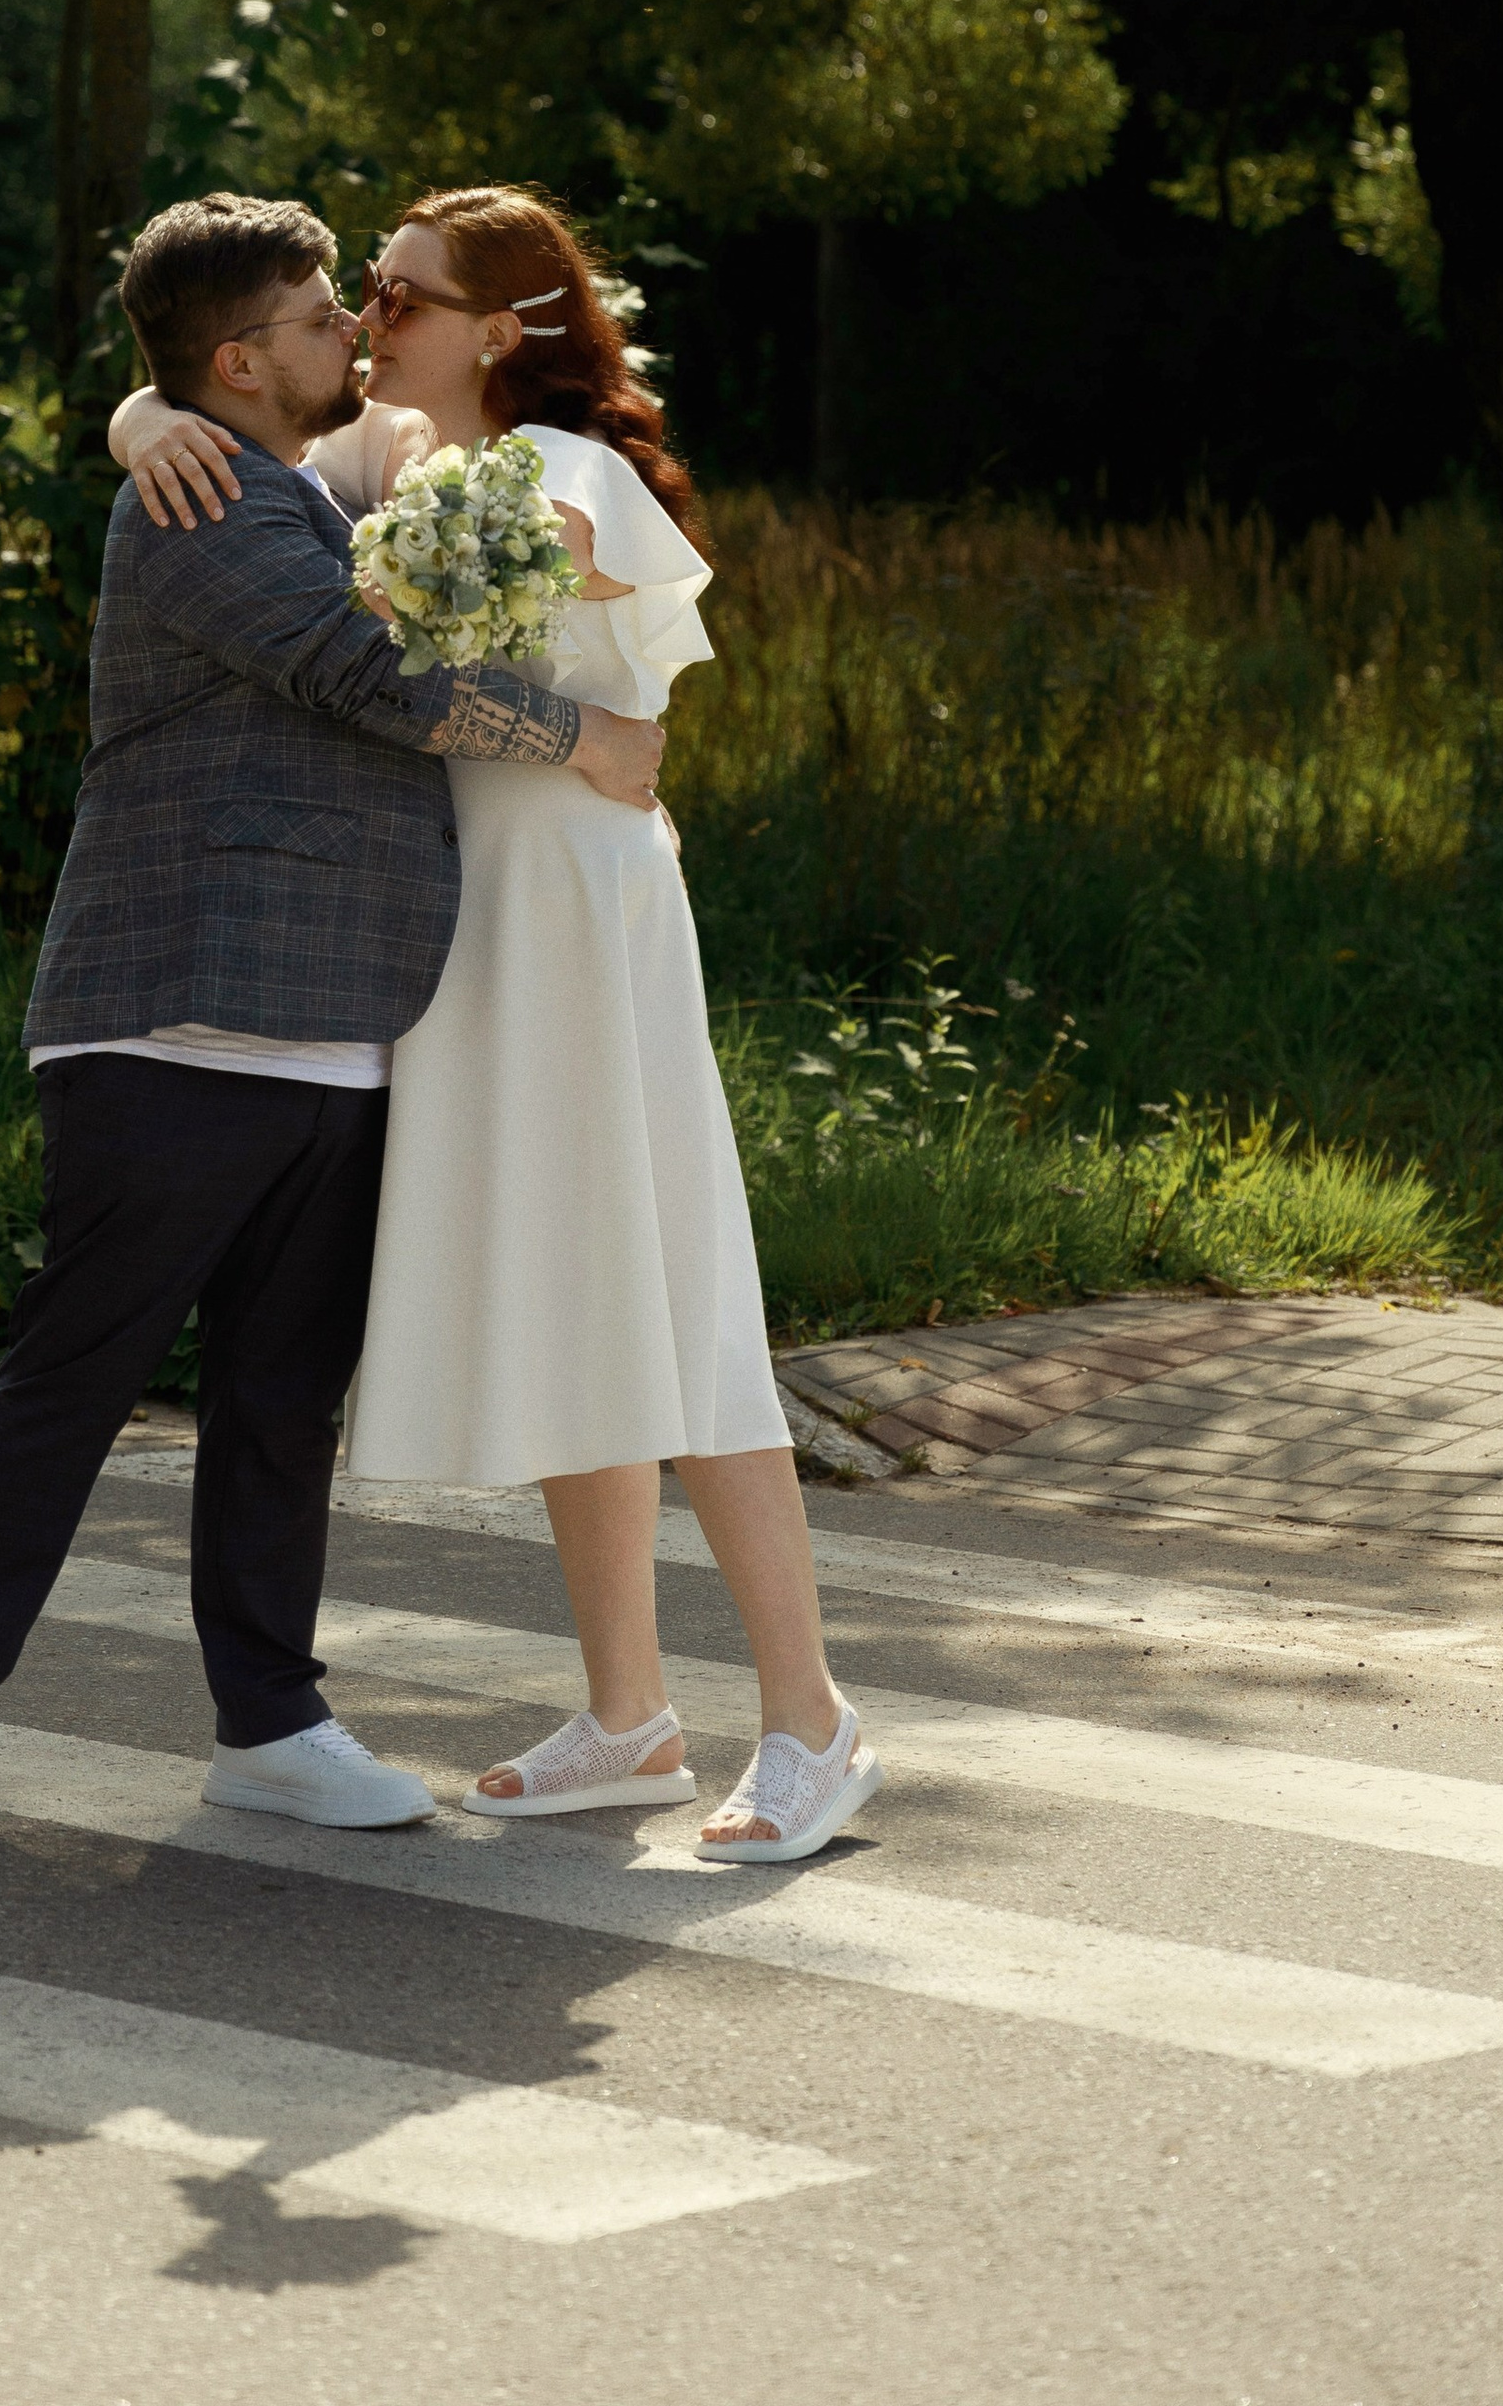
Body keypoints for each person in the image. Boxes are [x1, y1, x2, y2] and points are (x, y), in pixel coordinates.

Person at [0, 190, 667, 1835]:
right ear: (238, 359)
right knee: (71, 1380)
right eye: (314, 320)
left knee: (282, 1399)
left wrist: (136, 401)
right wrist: (581, 733)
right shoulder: (205, 498)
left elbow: (395, 469)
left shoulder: (283, 461)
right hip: (176, 1018)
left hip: (348, 1027)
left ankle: (270, 1720)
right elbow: (360, 670)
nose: (351, 335)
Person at [111, 185, 880, 1865]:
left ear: (501, 325)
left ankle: (813, 1721)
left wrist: (505, 595)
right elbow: (222, 406)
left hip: (584, 909)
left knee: (678, 1290)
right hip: (466, 923)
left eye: (401, 290)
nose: (370, 310)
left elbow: (573, 588)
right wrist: (145, 409)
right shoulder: (377, 462)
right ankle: (628, 1710)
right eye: (363, 290)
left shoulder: (565, 473)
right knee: (570, 1285)